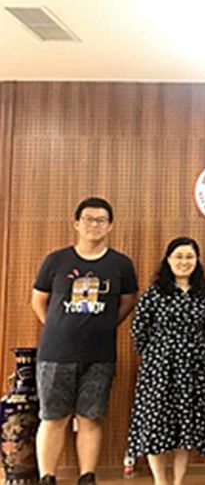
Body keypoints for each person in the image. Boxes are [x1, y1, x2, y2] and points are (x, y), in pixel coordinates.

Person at [31, 197, 139, 485]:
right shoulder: (56, 260)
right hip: (55, 353)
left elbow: (127, 302)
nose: (94, 225)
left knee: (91, 418)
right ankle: (47, 477)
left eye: (101, 220)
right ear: (77, 224)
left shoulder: (121, 264)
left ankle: (87, 477)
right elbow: (38, 300)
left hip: (100, 354)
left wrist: (104, 325)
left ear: (110, 226)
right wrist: (58, 327)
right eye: (88, 219)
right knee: (53, 418)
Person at [126, 237, 205, 485]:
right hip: (159, 369)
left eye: (189, 257)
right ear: (168, 260)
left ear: (197, 261)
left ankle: (178, 482)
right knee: (155, 424)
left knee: (186, 428)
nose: (184, 262)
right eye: (178, 256)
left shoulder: (204, 294)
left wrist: (204, 360)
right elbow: (138, 329)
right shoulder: (154, 293)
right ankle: (160, 481)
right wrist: (155, 355)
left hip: (195, 369)